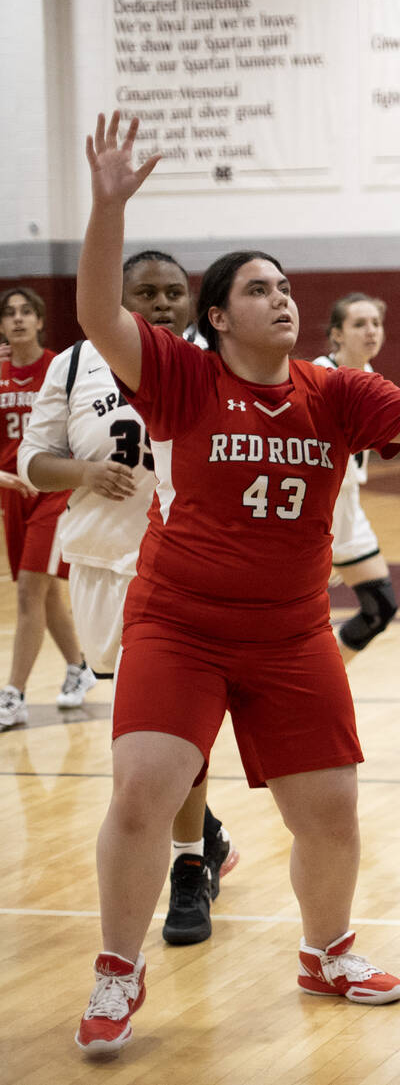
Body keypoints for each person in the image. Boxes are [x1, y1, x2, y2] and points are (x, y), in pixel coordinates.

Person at [72, 111, 400, 1056]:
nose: (282, 299)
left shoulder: (335, 392)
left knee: (332, 812)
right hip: (179, 624)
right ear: (217, 316)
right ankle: (117, 968)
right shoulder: (183, 378)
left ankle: (326, 952)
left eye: (286, 286)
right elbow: (101, 315)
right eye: (258, 289)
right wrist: (106, 205)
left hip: (291, 633)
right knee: (143, 793)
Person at [17, 251, 238, 948]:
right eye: (146, 292)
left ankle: (190, 866)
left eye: (176, 292)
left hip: (183, 566)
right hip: (98, 561)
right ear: (117, 298)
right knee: (149, 740)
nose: (163, 303)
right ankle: (207, 833)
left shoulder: (217, 359)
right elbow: (30, 461)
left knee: (175, 727)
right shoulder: (77, 364)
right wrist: (84, 470)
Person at [0, 287, 96, 729]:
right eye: (9, 313)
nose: (18, 319)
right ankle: (78, 667)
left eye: (26, 312)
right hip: (13, 494)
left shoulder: (59, 368)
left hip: (52, 492)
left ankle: (13, 694)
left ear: (40, 321)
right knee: (46, 594)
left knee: (28, 592)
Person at [312, 294, 398, 664]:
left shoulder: (371, 379)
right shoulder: (316, 376)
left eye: (375, 323)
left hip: (348, 508)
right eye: (359, 324)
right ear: (337, 334)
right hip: (313, 507)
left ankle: (325, 677)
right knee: (288, 617)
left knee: (379, 607)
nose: (371, 331)